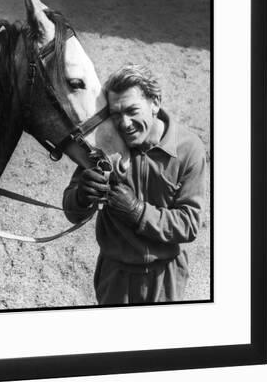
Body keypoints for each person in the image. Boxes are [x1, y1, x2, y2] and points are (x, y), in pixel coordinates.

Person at [63, 64, 207, 304]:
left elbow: (190, 224)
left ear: (155, 103)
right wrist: (81, 195)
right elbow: (72, 212)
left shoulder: (188, 149)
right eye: (116, 114)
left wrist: (138, 213)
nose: (124, 123)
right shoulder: (105, 143)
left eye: (132, 110)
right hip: (115, 276)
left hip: (165, 278)